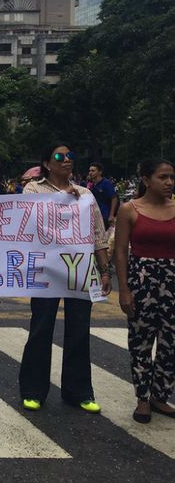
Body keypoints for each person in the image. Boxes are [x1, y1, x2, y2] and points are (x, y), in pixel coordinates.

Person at [19, 144, 111, 413]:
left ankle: (79, 391)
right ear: (47, 163)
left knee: (79, 330)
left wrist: (104, 271)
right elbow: (28, 221)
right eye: (60, 156)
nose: (67, 160)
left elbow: (98, 236)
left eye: (71, 156)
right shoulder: (33, 190)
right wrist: (61, 202)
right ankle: (33, 390)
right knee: (41, 327)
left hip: (80, 271)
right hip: (46, 271)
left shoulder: (85, 194)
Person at [113, 158, 175, 423]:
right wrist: (124, 289)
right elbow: (119, 252)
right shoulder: (129, 209)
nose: (169, 183)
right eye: (163, 177)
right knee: (141, 341)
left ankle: (160, 396)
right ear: (146, 180)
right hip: (142, 282)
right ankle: (142, 398)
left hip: (172, 281)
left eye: (172, 177)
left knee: (170, 343)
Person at [88, 162, 119, 229]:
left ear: (100, 172)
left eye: (93, 171)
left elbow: (114, 198)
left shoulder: (106, 183)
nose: (90, 173)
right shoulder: (92, 185)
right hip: (95, 215)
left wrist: (111, 215)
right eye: (89, 171)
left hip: (105, 216)